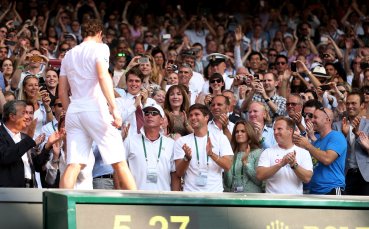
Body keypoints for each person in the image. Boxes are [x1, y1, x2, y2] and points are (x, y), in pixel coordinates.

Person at [58, 19, 136, 190]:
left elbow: (62, 92)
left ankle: (61, 207)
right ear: (100, 33)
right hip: (95, 109)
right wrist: (114, 109)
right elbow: (102, 76)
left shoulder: (68, 55)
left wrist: (69, 111)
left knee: (74, 164)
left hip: (74, 110)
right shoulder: (101, 47)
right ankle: (139, 207)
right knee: (119, 162)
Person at [174, 104, 233, 192]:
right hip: (191, 195)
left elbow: (228, 166)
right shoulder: (182, 141)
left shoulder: (220, 137)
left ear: (206, 117)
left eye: (197, 114)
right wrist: (187, 158)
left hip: (215, 194)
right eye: (190, 115)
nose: (193, 117)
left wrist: (212, 154)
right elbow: (179, 173)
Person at [124, 101, 180, 191]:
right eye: (146, 113)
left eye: (154, 113)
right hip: (136, 198)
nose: (150, 115)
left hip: (163, 199)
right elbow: (120, 170)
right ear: (143, 118)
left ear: (161, 120)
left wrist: (175, 200)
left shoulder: (171, 144)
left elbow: (174, 174)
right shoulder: (130, 141)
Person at [293, 107, 347, 195]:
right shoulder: (316, 142)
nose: (312, 120)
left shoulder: (337, 136)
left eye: (315, 117)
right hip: (314, 192)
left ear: (327, 120)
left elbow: (327, 159)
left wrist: (307, 145)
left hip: (332, 190)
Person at [257, 117, 313, 194]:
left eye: (279, 129)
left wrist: (294, 164)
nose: (275, 132)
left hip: (294, 202)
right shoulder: (267, 152)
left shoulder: (303, 153)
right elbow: (260, 175)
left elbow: (307, 178)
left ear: (290, 131)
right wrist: (280, 164)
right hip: (272, 202)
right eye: (274, 129)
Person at [0, 100, 44, 187]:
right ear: (12, 116)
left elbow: (37, 165)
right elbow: (5, 156)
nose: (28, 117)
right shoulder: (1, 134)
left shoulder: (24, 137)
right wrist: (28, 139)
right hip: (9, 191)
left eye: (30, 113)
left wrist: (48, 146)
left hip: (29, 187)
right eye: (24, 113)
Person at [332, 91, 369, 195]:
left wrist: (357, 134)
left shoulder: (368, 125)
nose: (350, 106)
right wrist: (343, 136)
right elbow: (334, 151)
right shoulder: (336, 126)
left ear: (362, 105)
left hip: (365, 175)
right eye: (347, 103)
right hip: (344, 174)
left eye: (354, 103)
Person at [224, 120, 263, 193]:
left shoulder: (258, 153)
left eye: (243, 131)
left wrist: (246, 164)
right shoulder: (231, 154)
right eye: (237, 132)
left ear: (249, 133)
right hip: (234, 198)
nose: (239, 134)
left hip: (252, 199)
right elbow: (228, 184)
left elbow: (259, 181)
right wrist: (227, 167)